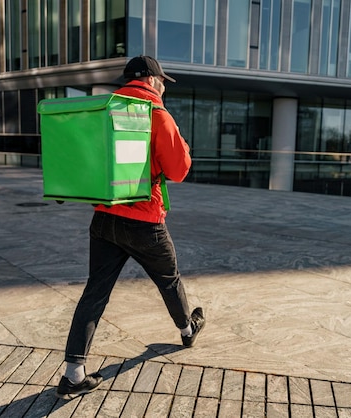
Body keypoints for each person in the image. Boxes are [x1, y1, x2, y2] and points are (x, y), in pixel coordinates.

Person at [56, 56, 205, 399]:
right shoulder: (157, 114)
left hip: (105, 218)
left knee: (95, 293)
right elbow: (179, 170)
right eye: (163, 81)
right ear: (152, 81)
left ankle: (73, 374)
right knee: (169, 280)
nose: (164, 86)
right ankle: (186, 329)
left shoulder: (104, 110)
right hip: (145, 222)